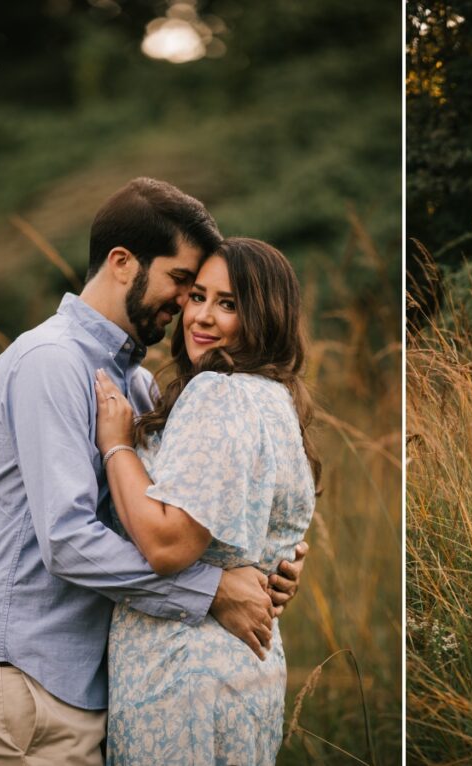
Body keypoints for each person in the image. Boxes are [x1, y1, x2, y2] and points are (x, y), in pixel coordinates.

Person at [0, 178, 306, 765]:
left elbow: (163, 514)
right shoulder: (52, 362)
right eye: (182, 283)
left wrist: (267, 563)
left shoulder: (139, 385)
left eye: (207, 294)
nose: (185, 304)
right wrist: (212, 591)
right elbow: (66, 542)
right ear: (123, 263)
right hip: (33, 679)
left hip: (101, 681)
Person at [93, 237, 318, 765]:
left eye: (229, 304)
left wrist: (117, 445)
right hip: (248, 668)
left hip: (180, 673)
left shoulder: (218, 392)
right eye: (198, 296)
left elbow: (169, 545)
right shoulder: (277, 400)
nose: (204, 317)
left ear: (265, 315)